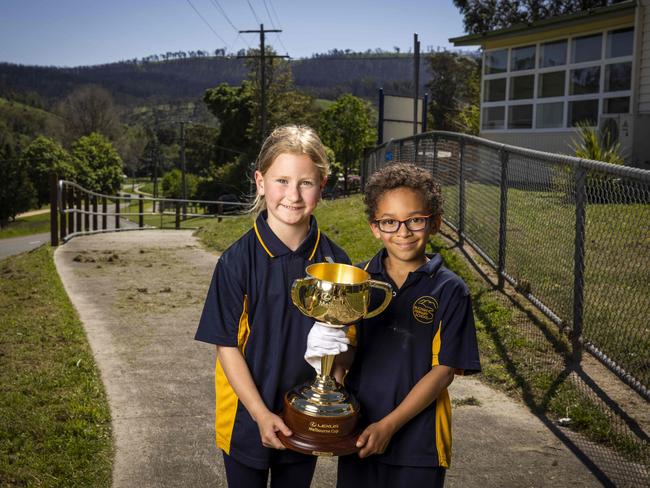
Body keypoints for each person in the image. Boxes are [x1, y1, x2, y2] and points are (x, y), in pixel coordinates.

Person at [195, 125, 350, 488]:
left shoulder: (336, 263)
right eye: (282, 181)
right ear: (260, 182)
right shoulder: (237, 262)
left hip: (305, 420)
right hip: (246, 417)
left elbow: (345, 345)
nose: (293, 195)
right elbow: (227, 346)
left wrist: (328, 397)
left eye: (306, 183)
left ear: (322, 184)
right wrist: (261, 414)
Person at [309, 162, 481, 488]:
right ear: (375, 227)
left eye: (415, 220)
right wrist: (330, 358)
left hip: (420, 445)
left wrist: (389, 426)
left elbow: (444, 371)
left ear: (434, 223)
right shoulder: (357, 281)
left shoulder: (451, 290)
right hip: (358, 432)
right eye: (389, 222)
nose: (402, 232)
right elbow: (348, 353)